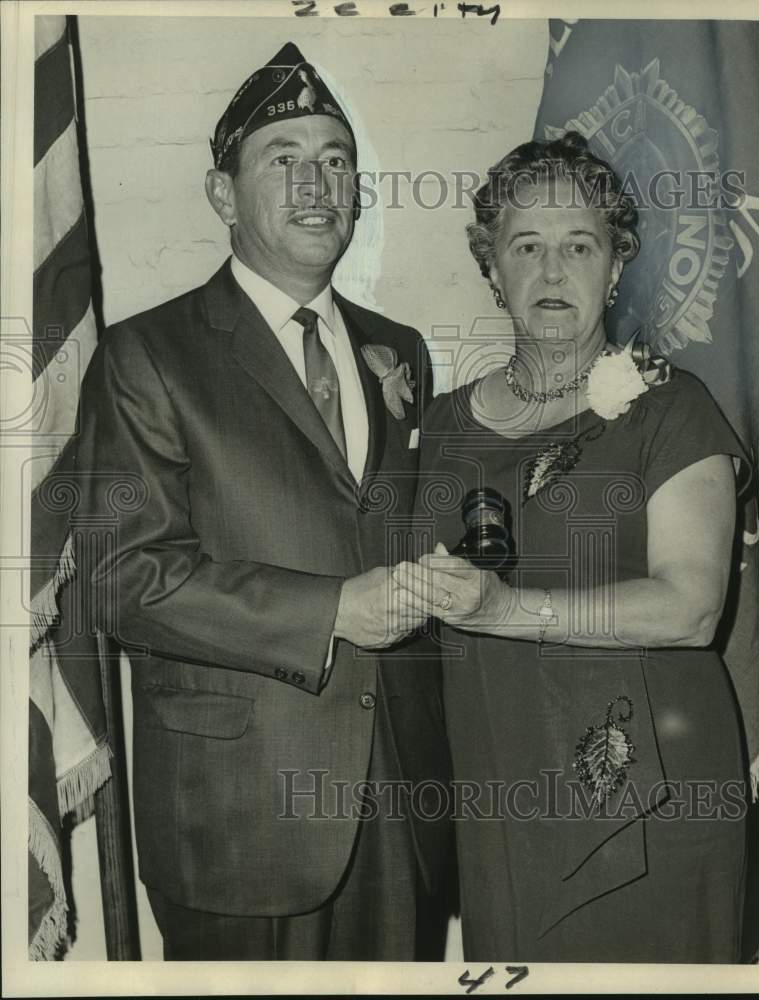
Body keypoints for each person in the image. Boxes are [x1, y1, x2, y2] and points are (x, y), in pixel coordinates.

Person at [74, 42, 452, 961]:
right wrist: (331, 610)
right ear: (221, 195)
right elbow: (120, 580)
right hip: (239, 814)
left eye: (334, 159)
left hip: (399, 802)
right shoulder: (147, 356)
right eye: (281, 159)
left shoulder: (396, 346)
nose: (315, 182)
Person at [395, 132, 750, 962]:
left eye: (578, 246)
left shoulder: (672, 408)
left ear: (616, 264)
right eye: (525, 247)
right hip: (498, 793)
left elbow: (690, 607)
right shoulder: (432, 427)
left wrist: (508, 609)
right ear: (491, 268)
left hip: (653, 798)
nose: (552, 273)